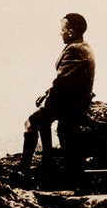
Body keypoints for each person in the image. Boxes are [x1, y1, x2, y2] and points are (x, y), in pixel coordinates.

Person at [19, 13, 96, 182]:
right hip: (76, 99)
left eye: (62, 30)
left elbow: (62, 82)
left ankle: (24, 170)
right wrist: (47, 93)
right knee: (43, 120)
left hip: (70, 103)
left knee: (30, 124)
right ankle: (46, 164)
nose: (60, 33)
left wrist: (48, 100)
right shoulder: (83, 46)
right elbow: (68, 78)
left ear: (71, 31)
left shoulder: (74, 50)